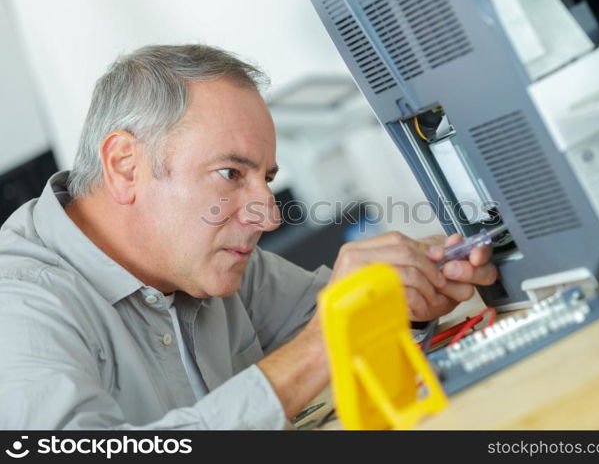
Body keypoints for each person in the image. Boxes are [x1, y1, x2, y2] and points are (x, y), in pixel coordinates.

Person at [0, 45, 497, 429]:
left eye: (266, 179)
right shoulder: (19, 304)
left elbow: (336, 325)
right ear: (126, 167)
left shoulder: (212, 259)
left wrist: (407, 291)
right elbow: (322, 339)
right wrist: (321, 344)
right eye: (231, 174)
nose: (267, 215)